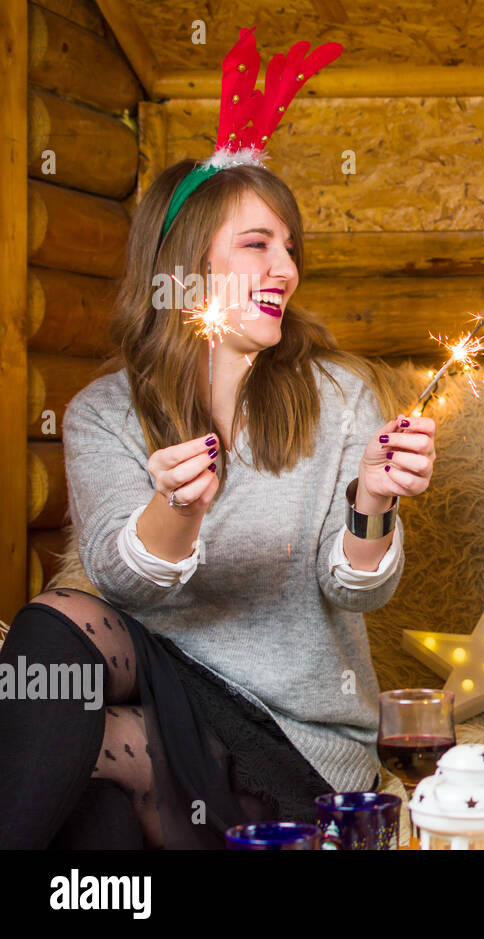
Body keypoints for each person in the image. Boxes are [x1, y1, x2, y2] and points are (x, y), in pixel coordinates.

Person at [0, 152, 435, 849]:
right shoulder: (104, 413)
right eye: (257, 244)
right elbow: (118, 579)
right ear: (183, 266)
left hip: (296, 738)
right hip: (166, 690)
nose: (286, 270)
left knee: (85, 766)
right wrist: (178, 507)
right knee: (56, 632)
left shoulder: (339, 395)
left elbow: (358, 590)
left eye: (290, 248)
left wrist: (373, 500)